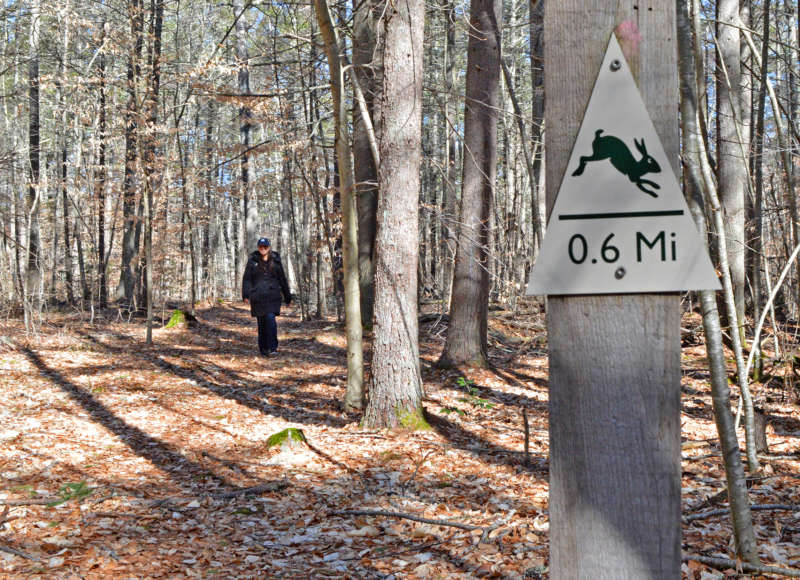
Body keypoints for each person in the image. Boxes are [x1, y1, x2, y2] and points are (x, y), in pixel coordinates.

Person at [242, 237, 292, 356]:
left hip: (272, 296)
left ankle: (273, 348)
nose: (263, 249)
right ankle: (263, 349)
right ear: (258, 247)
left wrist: (287, 297)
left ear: (269, 247)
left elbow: (282, 279)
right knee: (262, 323)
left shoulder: (276, 261)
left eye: (265, 247)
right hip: (258, 297)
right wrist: (245, 295)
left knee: (270, 320)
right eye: (261, 247)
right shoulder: (252, 261)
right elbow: (247, 279)